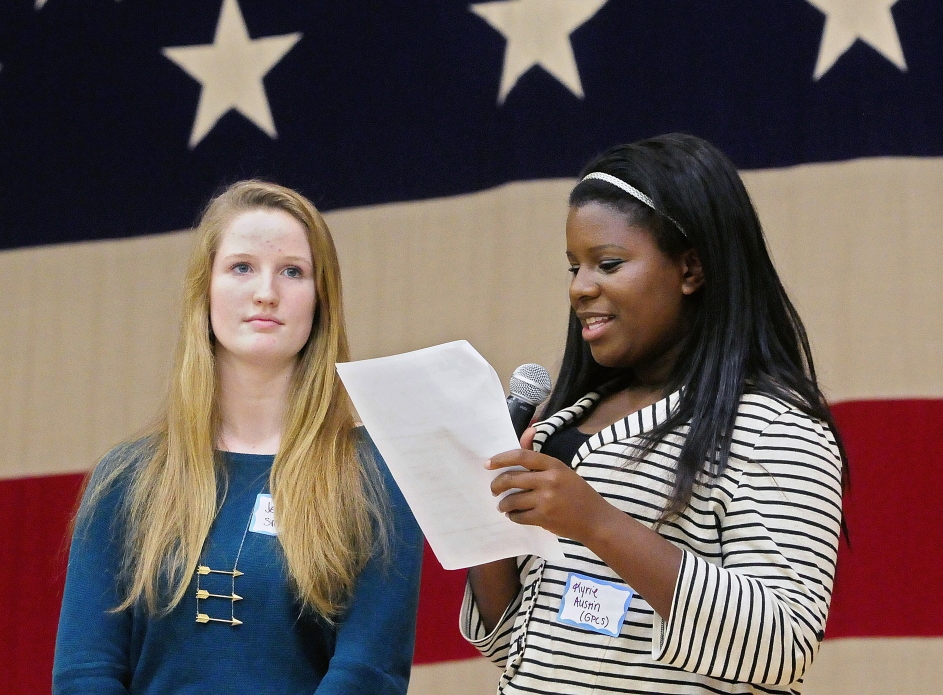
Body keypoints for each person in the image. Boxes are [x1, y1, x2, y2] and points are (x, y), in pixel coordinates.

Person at [462, 134, 846, 695]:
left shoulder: (773, 426)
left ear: (690, 269)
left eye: (608, 264)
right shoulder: (560, 422)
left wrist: (596, 523)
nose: (580, 287)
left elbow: (782, 645)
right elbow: (510, 642)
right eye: (573, 267)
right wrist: (479, 521)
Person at [54, 180, 423, 695]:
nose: (266, 292)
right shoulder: (125, 480)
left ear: (322, 298)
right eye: (242, 267)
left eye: (292, 271)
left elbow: (367, 674)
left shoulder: (376, 479)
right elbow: (85, 674)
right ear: (204, 288)